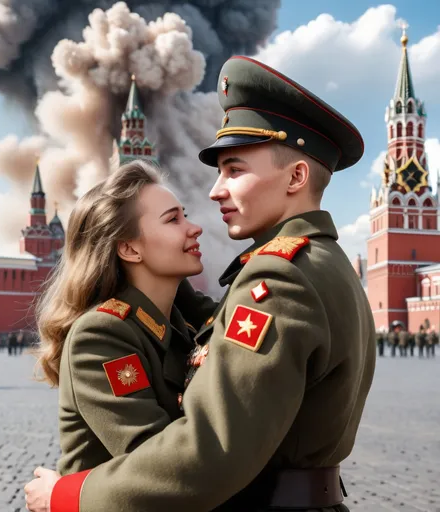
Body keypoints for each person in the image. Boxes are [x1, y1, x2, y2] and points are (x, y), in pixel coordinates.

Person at [25, 56, 376, 512]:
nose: (213, 192)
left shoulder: (280, 277)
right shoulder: (324, 262)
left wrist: (68, 497)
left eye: (234, 170)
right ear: (128, 248)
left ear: (296, 176)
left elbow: (205, 453)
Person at [31, 160, 211, 483]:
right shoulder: (100, 334)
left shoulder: (180, 324)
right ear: (129, 248)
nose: (193, 227)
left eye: (184, 214)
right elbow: (159, 467)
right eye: (173, 220)